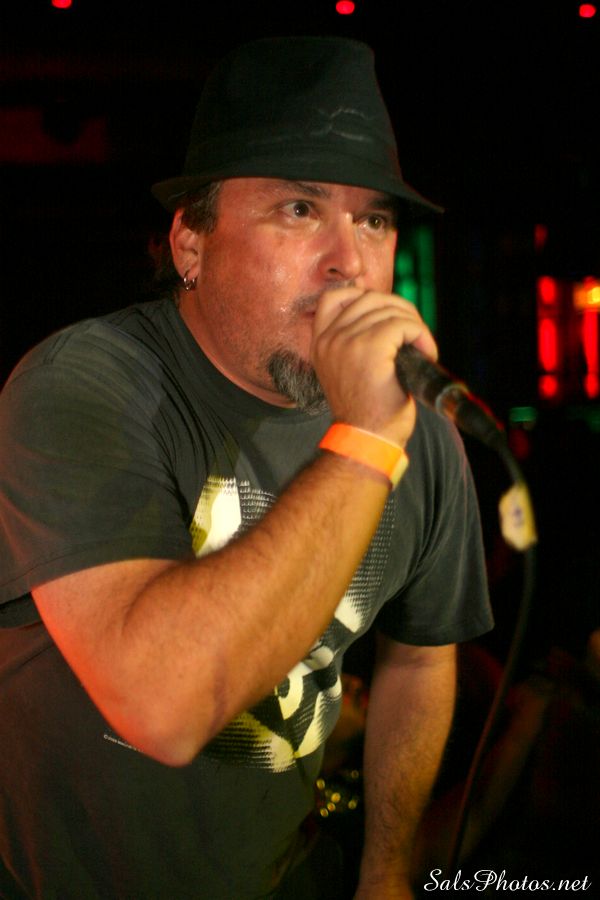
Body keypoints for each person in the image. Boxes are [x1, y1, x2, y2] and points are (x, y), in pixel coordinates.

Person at [0, 36, 493, 899]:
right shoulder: (80, 385)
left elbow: (420, 659)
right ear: (190, 243)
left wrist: (386, 870)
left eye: (374, 220)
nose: (349, 260)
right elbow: (162, 708)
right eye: (300, 209)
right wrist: (366, 442)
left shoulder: (418, 434)